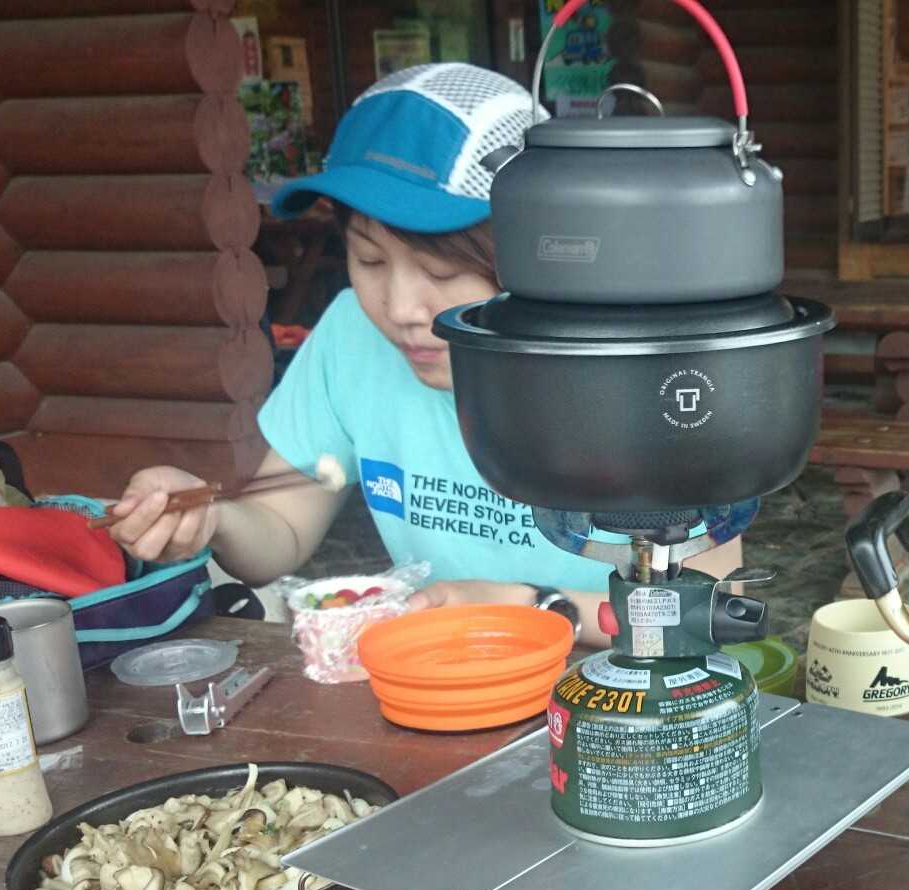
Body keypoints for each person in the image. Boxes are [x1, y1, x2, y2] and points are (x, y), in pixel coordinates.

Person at [107, 64, 740, 646]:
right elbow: (282, 528)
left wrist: (529, 607)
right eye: (369, 260)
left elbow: (711, 604)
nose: (401, 308)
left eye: (441, 271)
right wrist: (212, 516)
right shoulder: (351, 335)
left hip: (627, 692)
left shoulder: (636, 362)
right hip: (447, 682)